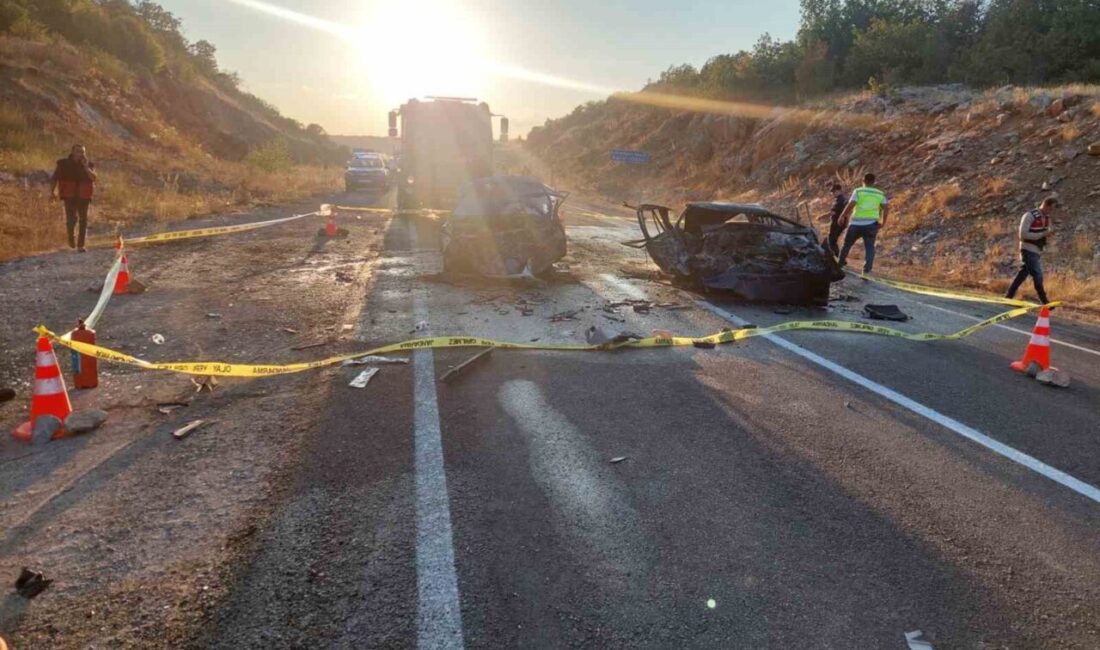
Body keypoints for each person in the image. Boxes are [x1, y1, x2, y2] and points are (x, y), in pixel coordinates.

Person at [1005, 197, 1056, 304]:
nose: (1051, 212)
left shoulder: (1046, 218)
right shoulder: (1029, 216)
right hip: (1028, 249)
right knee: (1037, 274)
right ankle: (1045, 301)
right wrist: (1042, 234)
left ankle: (1008, 295)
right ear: (1045, 205)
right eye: (1050, 209)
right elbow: (1023, 235)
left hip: (1037, 250)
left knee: (1023, 273)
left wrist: (1048, 235)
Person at [837, 172, 889, 274]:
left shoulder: (858, 191)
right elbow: (886, 209)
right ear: (874, 182)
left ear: (863, 181)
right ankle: (866, 271)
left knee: (847, 244)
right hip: (871, 225)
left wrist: (842, 216)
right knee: (870, 247)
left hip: (856, 224)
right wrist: (883, 222)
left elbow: (851, 204)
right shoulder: (880, 193)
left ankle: (840, 263)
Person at [50, 144, 97, 252]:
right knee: (71, 221)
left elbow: (94, 178)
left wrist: (86, 167)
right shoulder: (63, 164)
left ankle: (81, 245)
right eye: (78, 151)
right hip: (69, 196)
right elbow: (54, 178)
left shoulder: (89, 164)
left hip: (84, 196)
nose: (81, 154)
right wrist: (52, 192)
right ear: (72, 152)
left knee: (83, 221)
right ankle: (71, 240)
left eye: (82, 152)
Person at [818, 181, 847, 257]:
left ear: (839, 190)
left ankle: (836, 257)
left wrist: (822, 216)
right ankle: (838, 257)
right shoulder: (842, 199)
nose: (832, 193)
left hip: (837, 222)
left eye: (834, 191)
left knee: (832, 240)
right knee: (833, 240)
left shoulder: (839, 200)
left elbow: (833, 212)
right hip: (841, 222)